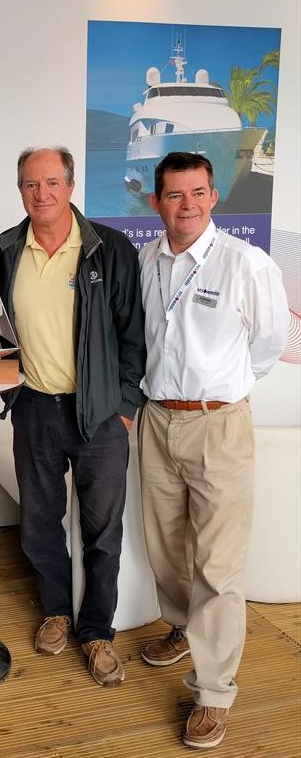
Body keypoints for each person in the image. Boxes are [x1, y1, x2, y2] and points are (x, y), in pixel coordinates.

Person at [137, 152, 289, 749]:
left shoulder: (246, 265)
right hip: (156, 421)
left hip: (218, 425)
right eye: (175, 195)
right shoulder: (146, 259)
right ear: (156, 204)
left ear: (214, 195)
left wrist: (216, 394)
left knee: (219, 566)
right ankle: (181, 629)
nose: (188, 205)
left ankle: (214, 691)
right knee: (167, 547)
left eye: (198, 193)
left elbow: (268, 346)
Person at [0, 147, 146, 687]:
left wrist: (123, 410)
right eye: (31, 184)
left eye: (52, 182)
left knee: (102, 531)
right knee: (39, 522)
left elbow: (134, 337)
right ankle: (57, 611)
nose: (42, 194)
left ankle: (96, 632)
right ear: (20, 190)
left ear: (71, 187)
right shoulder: (5, 250)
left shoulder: (110, 249)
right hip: (34, 408)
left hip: (99, 414)